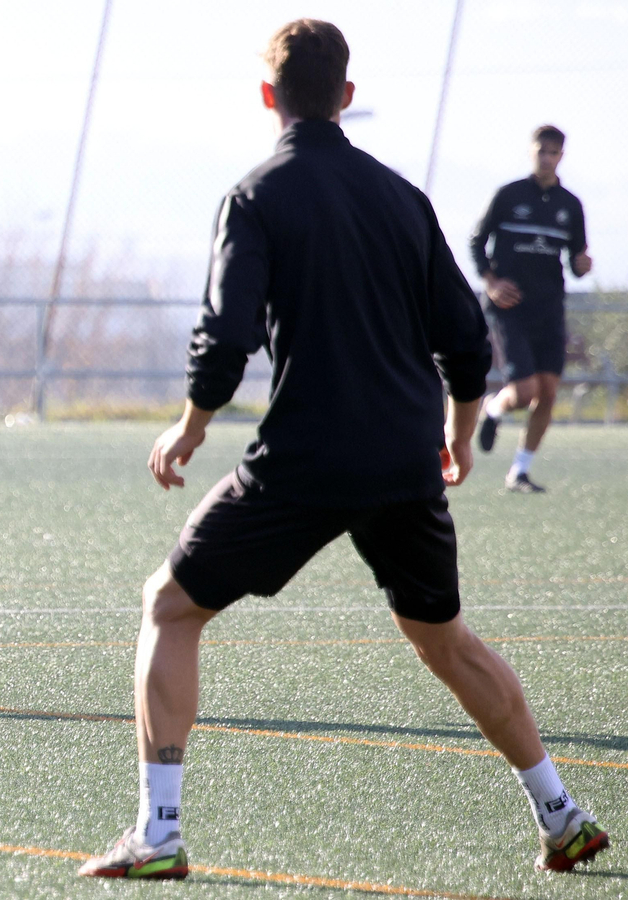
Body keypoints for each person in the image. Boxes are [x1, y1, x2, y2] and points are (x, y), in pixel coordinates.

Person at [80, 20, 608, 881]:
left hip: (304, 461)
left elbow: (226, 336)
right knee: (447, 641)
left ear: (268, 96)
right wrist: (458, 434)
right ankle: (561, 813)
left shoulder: (255, 197)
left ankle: (159, 833)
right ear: (347, 97)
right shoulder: (403, 199)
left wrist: (191, 425)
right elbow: (465, 339)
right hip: (404, 460)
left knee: (170, 607)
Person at [470, 125, 591, 492]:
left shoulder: (570, 205)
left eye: (554, 153)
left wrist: (583, 265)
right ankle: (494, 408)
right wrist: (491, 282)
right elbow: (477, 241)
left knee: (548, 392)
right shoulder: (508, 195)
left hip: (549, 309)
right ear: (531, 152)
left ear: (561, 156)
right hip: (511, 308)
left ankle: (519, 472)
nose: (547, 158)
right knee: (524, 393)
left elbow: (577, 258)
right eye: (542, 151)